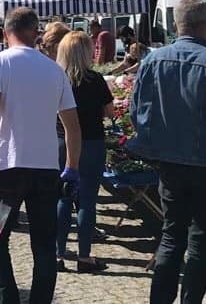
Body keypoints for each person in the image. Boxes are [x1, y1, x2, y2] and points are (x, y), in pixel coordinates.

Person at [0, 7, 82, 304]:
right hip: (46, 166)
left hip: (7, 164)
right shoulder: (54, 70)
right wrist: (72, 167)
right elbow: (73, 126)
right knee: (44, 246)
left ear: (6, 32)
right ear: (36, 33)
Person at [127, 0, 206, 304]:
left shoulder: (154, 62)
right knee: (201, 242)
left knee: (171, 236)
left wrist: (156, 147)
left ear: (175, 25)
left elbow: (136, 113)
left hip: (170, 166)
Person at [55, 32, 114, 273]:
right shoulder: (95, 79)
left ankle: (57, 254)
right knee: (87, 201)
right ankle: (84, 256)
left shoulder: (56, 79)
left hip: (60, 142)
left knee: (62, 198)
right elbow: (109, 110)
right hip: (91, 142)